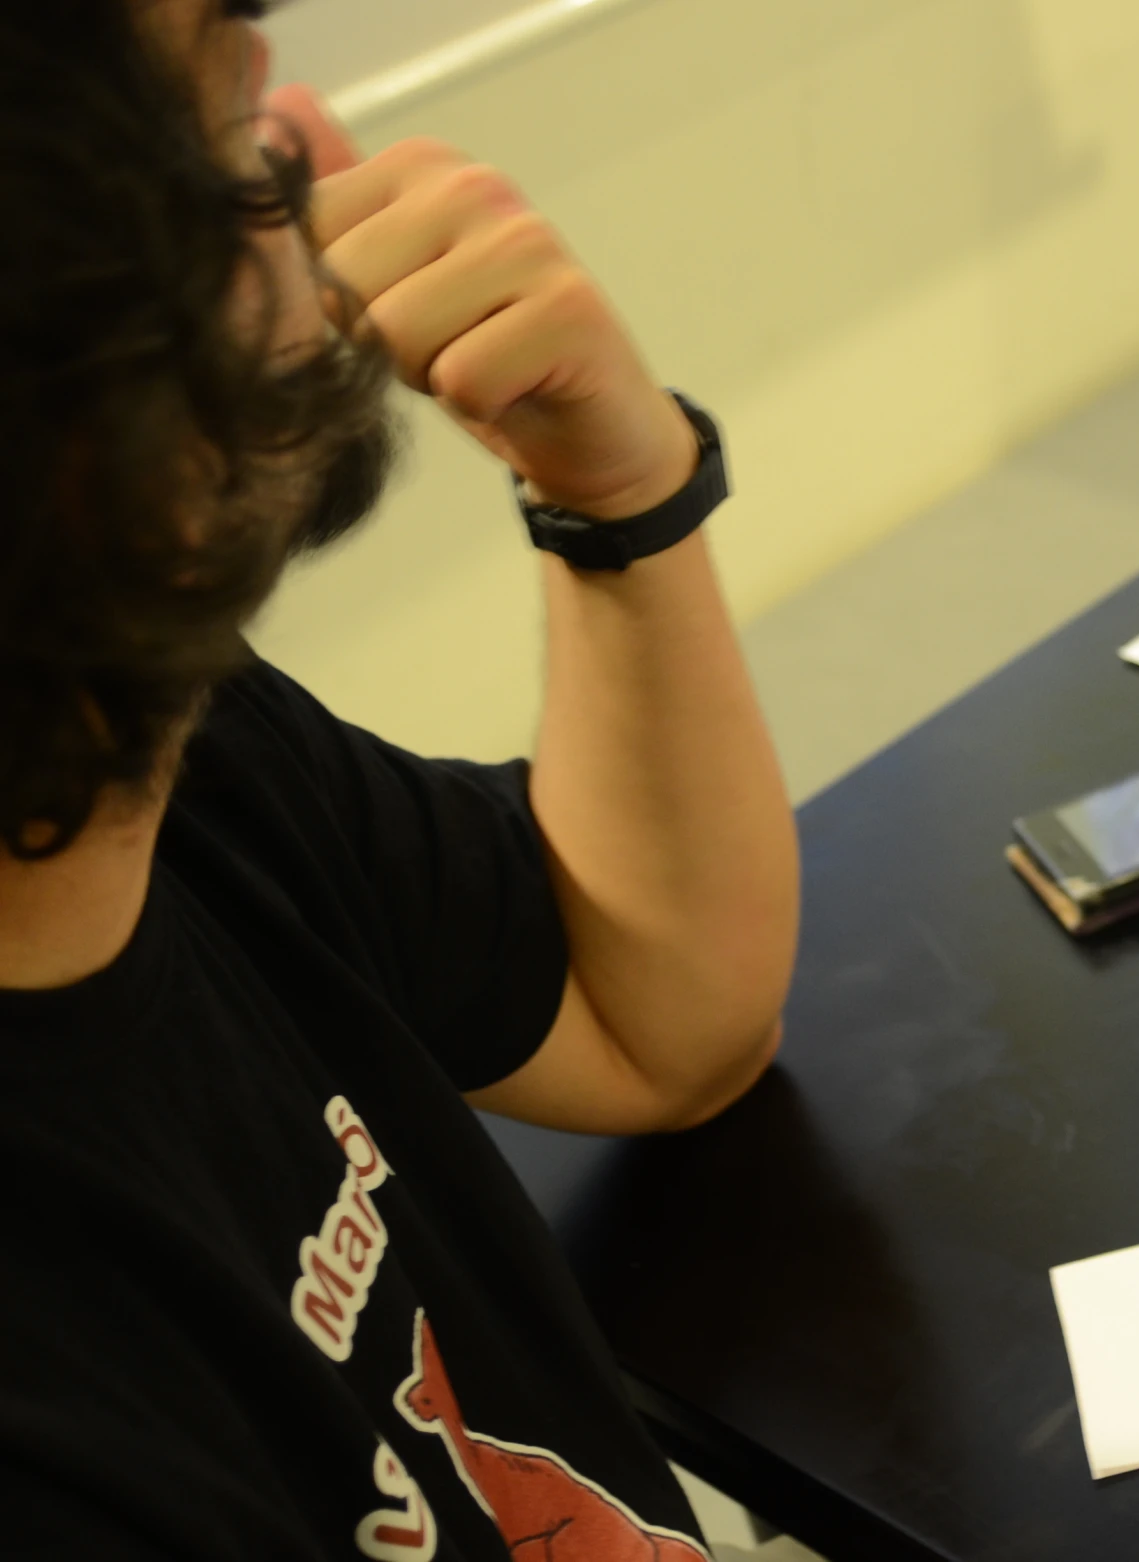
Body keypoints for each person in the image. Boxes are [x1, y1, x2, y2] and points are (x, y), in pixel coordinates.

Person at [0, 4, 799, 1556]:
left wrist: (617, 493)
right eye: (236, 136)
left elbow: (658, 1023)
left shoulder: (148, 747)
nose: (313, 150)